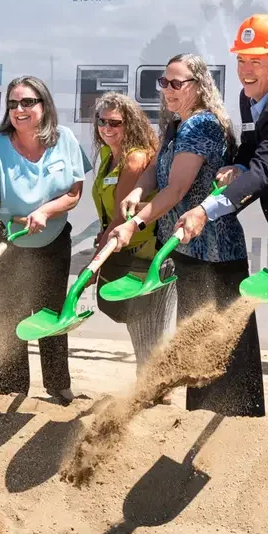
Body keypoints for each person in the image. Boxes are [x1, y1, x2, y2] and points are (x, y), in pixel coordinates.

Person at [170, 16, 268, 425]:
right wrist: (238, 163)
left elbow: (265, 172)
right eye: (242, 59)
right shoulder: (250, 97)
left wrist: (205, 209)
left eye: (256, 60)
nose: (246, 68)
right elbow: (252, 148)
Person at [114, 53, 265, 416]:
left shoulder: (202, 126)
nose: (168, 89)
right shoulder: (177, 124)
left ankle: (237, 424)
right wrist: (139, 189)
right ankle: (203, 417)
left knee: (221, 343)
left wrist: (135, 224)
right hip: (187, 248)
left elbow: (177, 189)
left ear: (199, 86)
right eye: (164, 82)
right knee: (198, 342)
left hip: (214, 253)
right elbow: (156, 168)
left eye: (176, 83)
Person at [0, 76, 90, 401]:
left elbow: (74, 193)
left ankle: (59, 387)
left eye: (27, 102)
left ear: (44, 105)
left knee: (51, 314)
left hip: (53, 242)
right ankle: (13, 392)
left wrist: (46, 211)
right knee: (11, 318)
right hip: (8, 243)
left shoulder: (64, 139)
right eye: (13, 104)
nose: (19, 109)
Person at [90, 92, 176, 370]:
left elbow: (120, 217)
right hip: (124, 250)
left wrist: (93, 264)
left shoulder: (134, 159)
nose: (107, 128)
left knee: (149, 334)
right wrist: (103, 237)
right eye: (102, 121)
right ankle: (149, 386)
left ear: (131, 124)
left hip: (146, 256)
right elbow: (111, 217)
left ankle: (153, 388)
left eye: (115, 123)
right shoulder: (108, 154)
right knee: (140, 333)